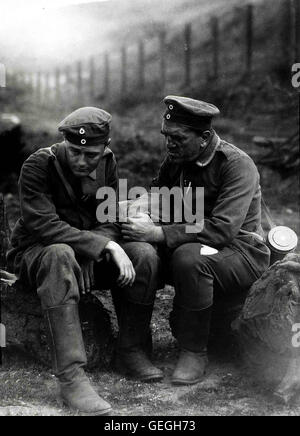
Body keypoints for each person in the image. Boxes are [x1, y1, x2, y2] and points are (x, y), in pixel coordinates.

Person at [6, 106, 162, 415]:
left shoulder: (107, 163)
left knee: (143, 254)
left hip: (80, 254)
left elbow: (109, 216)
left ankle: (130, 350)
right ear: (64, 142)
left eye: (90, 154)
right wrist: (98, 245)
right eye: (74, 151)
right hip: (38, 256)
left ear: (104, 147)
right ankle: (72, 378)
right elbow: (44, 226)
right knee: (61, 253)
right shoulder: (38, 165)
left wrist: (100, 247)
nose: (81, 160)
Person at [121, 95, 271, 386]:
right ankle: (133, 347)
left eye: (178, 137)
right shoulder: (178, 160)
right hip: (194, 246)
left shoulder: (236, 165)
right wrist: (138, 207)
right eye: (166, 136)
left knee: (189, 257)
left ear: (204, 137)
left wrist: (159, 233)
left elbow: (223, 229)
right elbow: (159, 196)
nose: (169, 144)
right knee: (141, 253)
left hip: (240, 252)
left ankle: (194, 351)